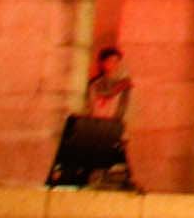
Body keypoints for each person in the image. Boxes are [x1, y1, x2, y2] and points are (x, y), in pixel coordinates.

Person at [52, 48, 135, 190]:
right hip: (95, 125)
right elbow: (92, 101)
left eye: (116, 61)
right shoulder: (95, 84)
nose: (113, 64)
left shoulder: (124, 85)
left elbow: (124, 107)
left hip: (113, 125)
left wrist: (120, 125)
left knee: (115, 157)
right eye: (110, 61)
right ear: (103, 63)